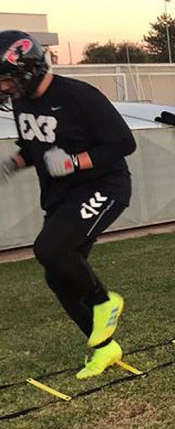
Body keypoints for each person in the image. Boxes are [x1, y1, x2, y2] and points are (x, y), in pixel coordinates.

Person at [0, 30, 135, 379]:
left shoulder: (79, 96)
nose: (4, 88)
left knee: (49, 248)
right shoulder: (22, 102)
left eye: (7, 79)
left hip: (104, 186)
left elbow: (123, 143)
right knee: (58, 277)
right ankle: (105, 349)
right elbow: (34, 146)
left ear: (28, 68)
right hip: (61, 196)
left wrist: (76, 162)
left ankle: (106, 303)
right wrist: (11, 165)